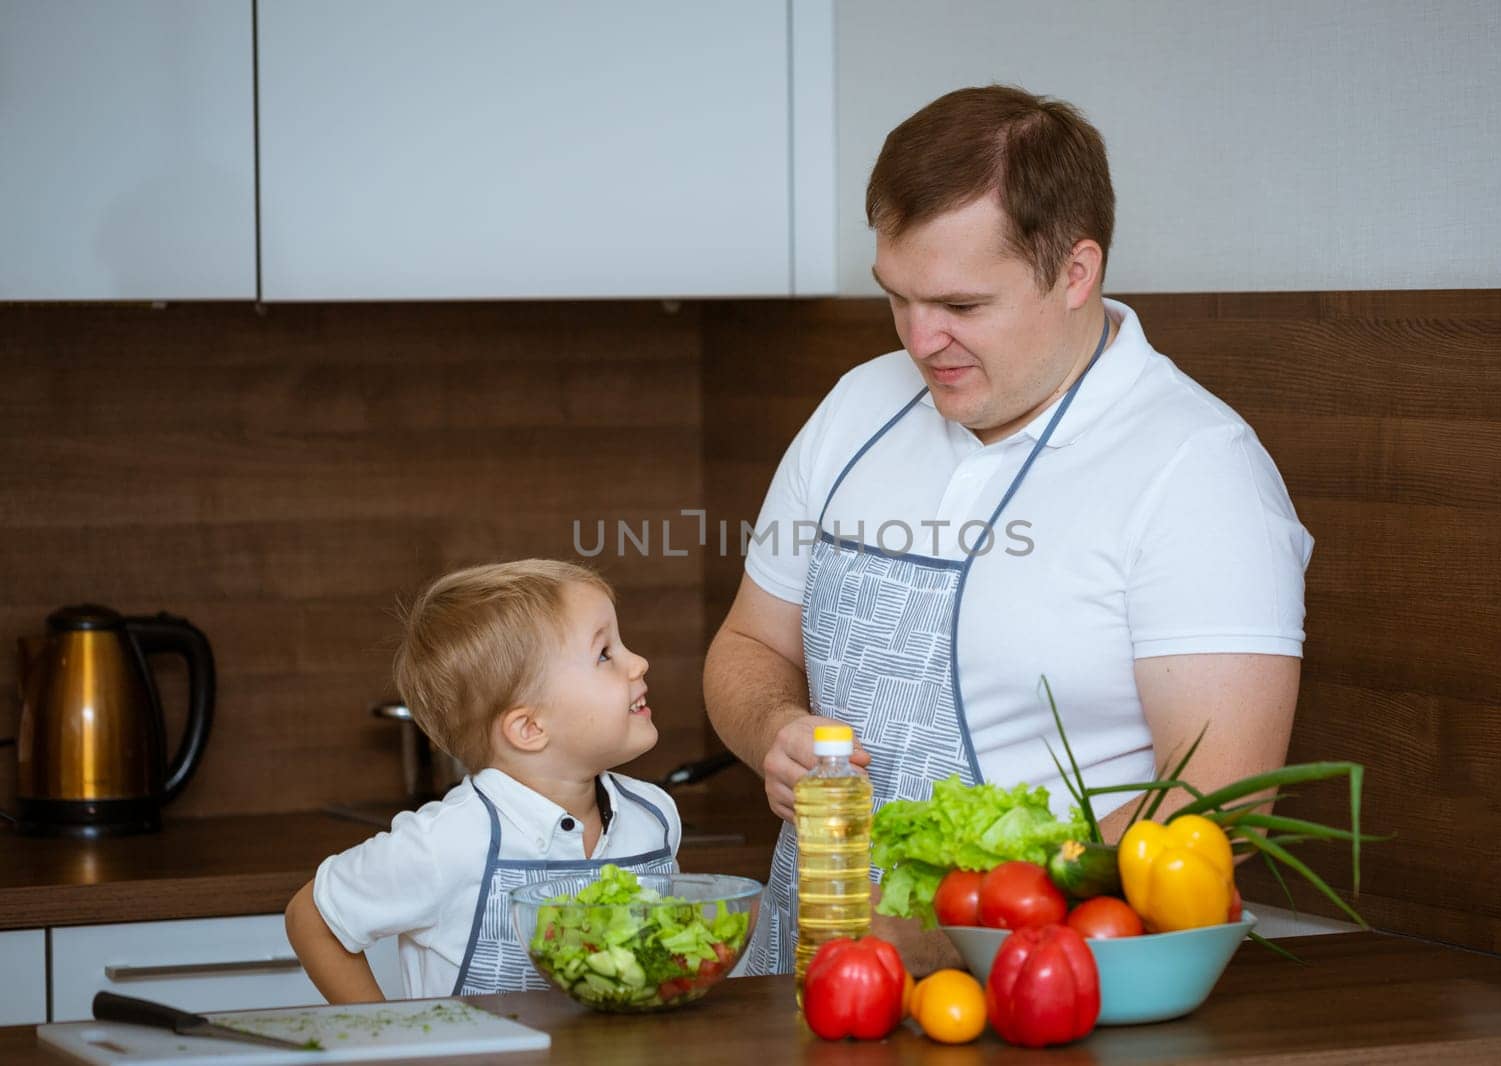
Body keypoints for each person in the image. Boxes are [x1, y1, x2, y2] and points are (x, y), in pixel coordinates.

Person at [704, 85, 1312, 976]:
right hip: (812, 984)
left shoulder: (1196, 470)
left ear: (1076, 271)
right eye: (898, 298)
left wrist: (963, 920)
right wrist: (774, 729)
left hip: (1041, 996)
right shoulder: (856, 407)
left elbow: (1216, 811)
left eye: (962, 305)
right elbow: (748, 642)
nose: (920, 340)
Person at [286, 558, 680, 1001]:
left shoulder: (654, 817)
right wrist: (386, 1037)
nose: (639, 663)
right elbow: (312, 918)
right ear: (529, 728)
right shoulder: (449, 841)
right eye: (605, 654)